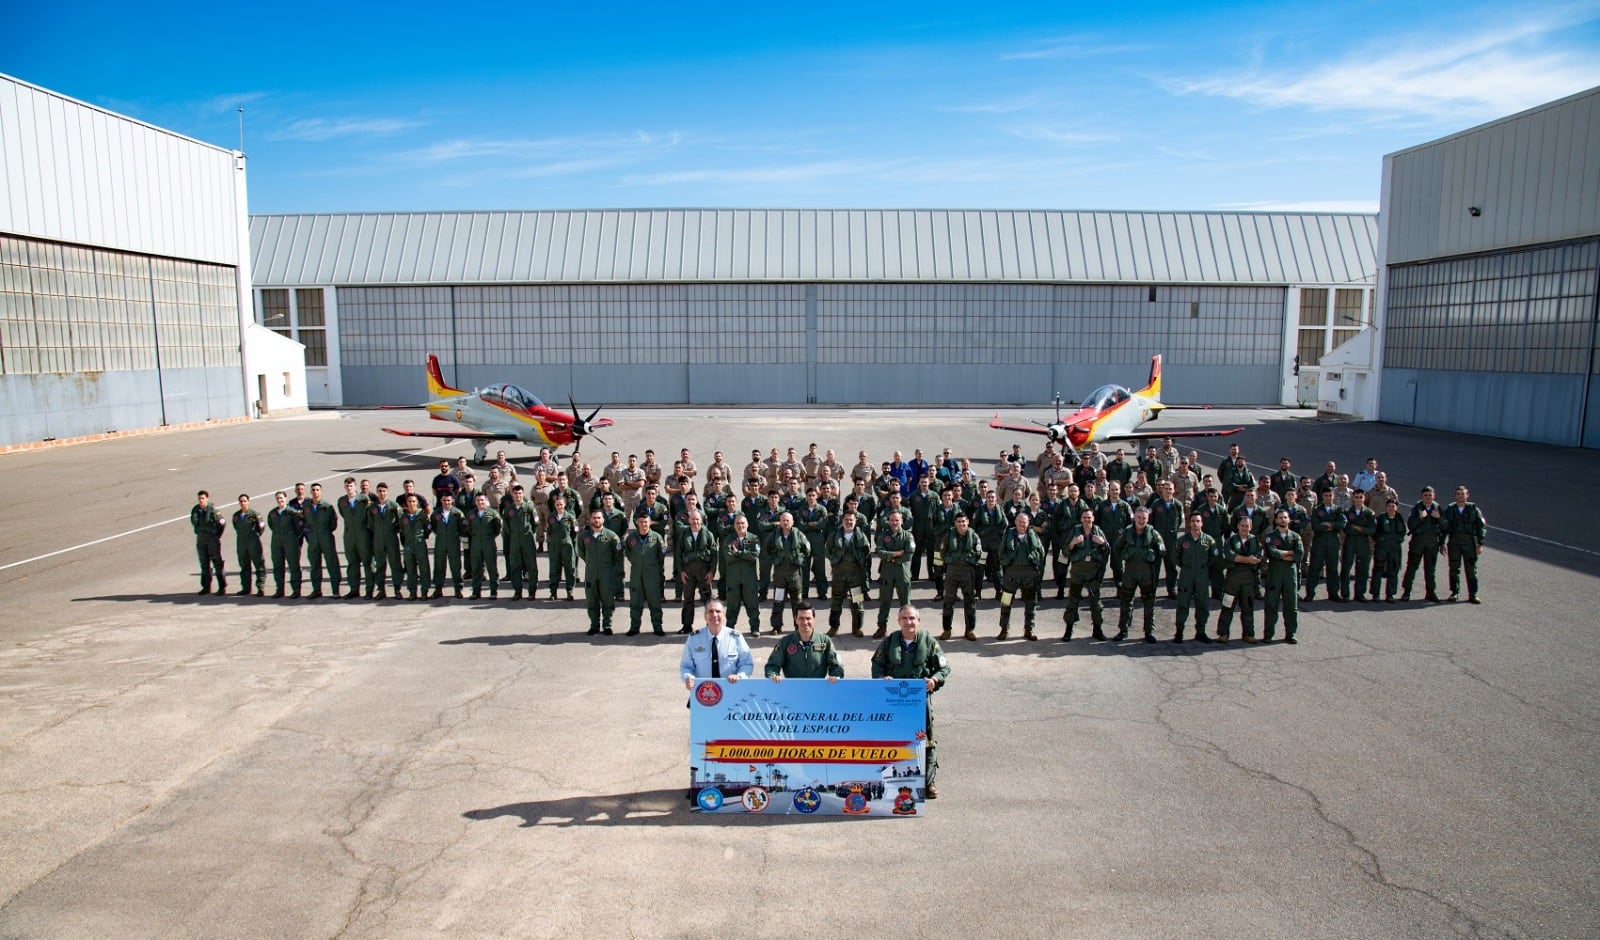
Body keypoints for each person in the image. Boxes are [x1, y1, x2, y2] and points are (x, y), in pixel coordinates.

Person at [870, 606, 950, 799]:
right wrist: (882, 679)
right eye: (904, 618)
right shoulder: (889, 642)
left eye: (912, 618)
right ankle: (890, 779)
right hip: (893, 700)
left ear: (918, 621)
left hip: (919, 700)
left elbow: (944, 668)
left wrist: (934, 680)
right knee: (892, 738)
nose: (909, 622)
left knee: (926, 739)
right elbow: (876, 665)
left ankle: (928, 782)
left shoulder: (929, 642)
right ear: (899, 621)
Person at [1115, 506, 1166, 642]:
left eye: (1144, 518)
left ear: (1148, 519)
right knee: (1126, 601)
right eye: (1139, 517)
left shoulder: (1153, 533)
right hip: (1130, 572)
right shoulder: (1126, 532)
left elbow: (1162, 550)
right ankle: (1123, 630)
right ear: (1134, 517)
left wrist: (1152, 557)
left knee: (1149, 603)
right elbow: (1116, 547)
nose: (1141, 520)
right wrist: (1125, 555)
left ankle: (1149, 631)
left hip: (1146, 573)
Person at [1061, 508, 1109, 641]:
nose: (1087, 520)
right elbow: (1065, 551)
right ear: (1081, 519)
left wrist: (1102, 543)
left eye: (1089, 517)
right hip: (1078, 571)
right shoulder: (1075, 531)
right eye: (1085, 518)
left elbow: (1107, 550)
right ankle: (1068, 630)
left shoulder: (1098, 531)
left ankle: (1097, 630)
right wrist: (1073, 543)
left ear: (1093, 518)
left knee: (1096, 603)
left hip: (1093, 572)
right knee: (1073, 601)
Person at [680, 600, 753, 688]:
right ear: (705, 616)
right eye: (710, 611)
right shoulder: (694, 639)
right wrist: (689, 678)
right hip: (703, 692)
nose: (714, 615)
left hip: (731, 690)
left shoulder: (736, 638)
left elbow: (746, 663)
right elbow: (686, 665)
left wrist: (739, 676)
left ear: (724, 615)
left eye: (718, 611)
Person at [997, 511, 1046, 641]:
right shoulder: (1008, 535)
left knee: (1030, 603)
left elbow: (1041, 553)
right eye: (1019, 522)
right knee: (1006, 602)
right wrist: (1009, 561)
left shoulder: (1033, 535)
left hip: (1029, 575)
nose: (1021, 524)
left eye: (1024, 522)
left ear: (1028, 523)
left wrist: (1032, 559)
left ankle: (1029, 629)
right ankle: (1004, 629)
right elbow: (1001, 554)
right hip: (1011, 575)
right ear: (1015, 522)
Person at [1215, 515, 1264, 642]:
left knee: (1248, 608)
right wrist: (1248, 559)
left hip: (1249, 581)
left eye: (1247, 526)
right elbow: (1230, 556)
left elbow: (1258, 559)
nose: (1244, 528)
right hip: (1232, 581)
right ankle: (1223, 634)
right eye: (1242, 526)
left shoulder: (1256, 541)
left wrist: (1241, 559)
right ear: (1237, 526)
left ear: (1251, 527)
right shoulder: (1231, 540)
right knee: (1227, 607)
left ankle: (1248, 634)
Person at [765, 603, 843, 680]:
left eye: (808, 618)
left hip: (817, 688)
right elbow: (772, 665)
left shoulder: (825, 641)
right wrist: (773, 676)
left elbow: (836, 665)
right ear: (795, 620)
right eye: (801, 618)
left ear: (814, 619)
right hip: (793, 688)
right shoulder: (785, 642)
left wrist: (836, 675)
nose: (805, 622)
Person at [1261, 509, 1305, 643]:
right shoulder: (1270, 536)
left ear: (1289, 519)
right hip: (1275, 574)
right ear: (1276, 520)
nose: (1282, 520)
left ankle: (1290, 634)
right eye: (1280, 518)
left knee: (1291, 606)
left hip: (1290, 575)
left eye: (1285, 517)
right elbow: (1273, 553)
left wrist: (1284, 555)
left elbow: (1299, 555)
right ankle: (1268, 634)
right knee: (1271, 606)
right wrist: (1289, 553)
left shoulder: (1296, 536)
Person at [825, 508, 871, 636]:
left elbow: (866, 551)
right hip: (839, 575)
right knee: (836, 601)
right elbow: (827, 550)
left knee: (857, 601)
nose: (849, 522)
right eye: (846, 520)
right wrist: (835, 560)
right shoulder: (835, 535)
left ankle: (856, 628)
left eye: (851, 520)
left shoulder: (860, 535)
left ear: (855, 521)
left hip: (855, 575)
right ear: (842, 520)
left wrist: (859, 559)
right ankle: (834, 627)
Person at [939, 513, 983, 641]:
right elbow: (943, 552)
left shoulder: (974, 536)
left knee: (970, 602)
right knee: (948, 601)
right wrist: (951, 559)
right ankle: (947, 629)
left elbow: (979, 553)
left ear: (968, 522)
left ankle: (969, 630)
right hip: (952, 571)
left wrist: (969, 560)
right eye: (958, 521)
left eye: (963, 521)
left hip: (968, 572)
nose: (961, 524)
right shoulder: (949, 536)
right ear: (955, 523)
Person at [1171, 513, 1215, 643]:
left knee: (1202, 603)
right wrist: (1186, 566)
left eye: (1198, 521)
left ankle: (1201, 632)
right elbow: (1175, 557)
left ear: (1202, 523)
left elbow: (1213, 557)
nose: (1195, 523)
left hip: (1202, 575)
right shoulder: (1182, 540)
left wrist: (1203, 567)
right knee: (1183, 603)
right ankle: (1179, 631)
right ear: (1189, 523)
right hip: (1187, 574)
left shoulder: (1208, 540)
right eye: (1193, 521)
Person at [624, 512, 668, 635]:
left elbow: (661, 554)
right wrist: (636, 561)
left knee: (654, 602)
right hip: (636, 574)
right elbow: (628, 552)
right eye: (641, 522)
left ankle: (657, 627)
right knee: (635, 603)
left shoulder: (657, 537)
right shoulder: (631, 538)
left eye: (646, 522)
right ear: (637, 523)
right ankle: (634, 627)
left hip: (652, 574)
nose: (644, 524)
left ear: (650, 523)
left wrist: (652, 564)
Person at [581, 508, 623, 634]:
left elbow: (617, 554)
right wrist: (591, 562)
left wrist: (607, 564)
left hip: (606, 573)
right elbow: (581, 552)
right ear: (590, 520)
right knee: (592, 600)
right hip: (591, 572)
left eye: (599, 518)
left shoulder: (611, 536)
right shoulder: (584, 536)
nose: (596, 520)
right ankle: (594, 625)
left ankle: (607, 625)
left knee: (607, 599)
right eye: (594, 518)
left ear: (603, 520)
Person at [766, 512, 810, 632]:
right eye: (783, 520)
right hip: (780, 574)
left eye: (787, 520)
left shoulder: (799, 535)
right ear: (780, 522)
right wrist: (775, 559)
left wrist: (799, 559)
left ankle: (798, 627)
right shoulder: (774, 535)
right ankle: (776, 626)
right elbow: (768, 549)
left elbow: (807, 549)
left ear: (792, 522)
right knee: (778, 601)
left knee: (797, 602)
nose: (785, 523)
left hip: (794, 574)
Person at [874, 510, 915, 638]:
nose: (894, 523)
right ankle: (882, 627)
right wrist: (896, 554)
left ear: (902, 521)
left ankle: (907, 629)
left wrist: (890, 557)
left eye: (897, 520)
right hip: (887, 572)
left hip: (902, 572)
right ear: (888, 521)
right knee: (885, 600)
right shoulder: (883, 535)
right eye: (892, 520)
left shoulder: (908, 536)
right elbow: (879, 551)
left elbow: (908, 554)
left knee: (905, 602)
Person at [675, 509, 717, 632]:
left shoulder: (708, 534)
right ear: (688, 520)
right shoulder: (684, 534)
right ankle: (687, 625)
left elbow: (714, 554)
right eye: (693, 519)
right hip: (688, 573)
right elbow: (678, 554)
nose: (695, 522)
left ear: (702, 520)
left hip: (704, 573)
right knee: (688, 599)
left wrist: (712, 572)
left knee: (708, 600)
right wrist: (681, 571)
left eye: (697, 519)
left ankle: (711, 625)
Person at [1443, 485, 1486, 603]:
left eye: (1462, 494)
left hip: (1469, 543)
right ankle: (1454, 592)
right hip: (1454, 542)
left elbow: (1481, 527)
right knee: (1453, 569)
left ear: (1467, 495)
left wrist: (1480, 543)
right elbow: (1444, 527)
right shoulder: (1450, 510)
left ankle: (1473, 594)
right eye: (1458, 494)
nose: (1460, 496)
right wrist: (1442, 543)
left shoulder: (1473, 509)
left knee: (1471, 570)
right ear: (1455, 496)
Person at [1402, 486, 1446, 602]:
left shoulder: (1438, 508)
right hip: (1418, 543)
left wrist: (1439, 518)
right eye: (1425, 495)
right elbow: (1410, 524)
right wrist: (1420, 518)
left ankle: (1430, 592)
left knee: (1430, 570)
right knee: (1412, 567)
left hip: (1432, 544)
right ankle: (1406, 592)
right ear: (1422, 496)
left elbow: (1445, 527)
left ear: (1434, 496)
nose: (1428, 497)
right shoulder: (1417, 508)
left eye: (1430, 495)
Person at [722, 514, 762, 635]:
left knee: (752, 603)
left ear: (747, 525)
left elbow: (754, 556)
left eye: (743, 523)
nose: (740, 526)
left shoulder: (754, 538)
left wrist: (738, 553)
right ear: (734, 525)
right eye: (738, 523)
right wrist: (745, 556)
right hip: (733, 577)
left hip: (749, 578)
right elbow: (728, 557)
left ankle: (755, 628)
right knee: (732, 604)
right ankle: (729, 628)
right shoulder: (728, 539)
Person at [1306, 488, 1347, 602]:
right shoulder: (1317, 509)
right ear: (1322, 497)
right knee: (1314, 568)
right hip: (1319, 542)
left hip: (1333, 542)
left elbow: (1343, 523)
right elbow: (1315, 525)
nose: (1328, 498)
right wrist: (1330, 527)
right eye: (1326, 495)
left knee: (1333, 569)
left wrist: (1330, 524)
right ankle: (1310, 593)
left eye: (1330, 495)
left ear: (1333, 496)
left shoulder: (1337, 509)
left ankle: (1333, 593)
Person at [302, 482, 340, 599]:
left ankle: (335, 591)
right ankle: (316, 590)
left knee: (331, 563)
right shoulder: (307, 507)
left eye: (317, 490)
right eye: (313, 490)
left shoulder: (327, 507)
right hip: (313, 538)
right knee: (314, 564)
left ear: (321, 491)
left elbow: (333, 524)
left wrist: (325, 532)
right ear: (310, 492)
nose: (315, 492)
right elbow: (305, 521)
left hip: (326, 537)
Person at [503, 485, 540, 601]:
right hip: (514, 540)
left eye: (520, 493)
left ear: (523, 494)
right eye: (516, 493)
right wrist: (514, 534)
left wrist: (528, 532)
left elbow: (536, 522)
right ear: (512, 495)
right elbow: (506, 525)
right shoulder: (508, 509)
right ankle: (517, 591)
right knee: (515, 566)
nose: (518, 496)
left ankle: (532, 592)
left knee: (531, 566)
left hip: (527, 539)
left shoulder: (529, 506)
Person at [365, 483, 402, 599]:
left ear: (387, 491)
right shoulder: (372, 508)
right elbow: (370, 523)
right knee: (379, 565)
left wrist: (392, 531)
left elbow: (400, 521)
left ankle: (397, 589)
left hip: (391, 538)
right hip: (378, 539)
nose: (382, 493)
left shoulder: (394, 506)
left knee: (395, 564)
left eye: (384, 491)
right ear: (376, 492)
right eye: (380, 491)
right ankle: (381, 590)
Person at [337, 478, 372, 599]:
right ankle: (354, 589)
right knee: (352, 562)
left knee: (367, 562)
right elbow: (343, 514)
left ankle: (369, 590)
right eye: (347, 486)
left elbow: (369, 515)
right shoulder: (342, 501)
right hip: (349, 536)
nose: (349, 488)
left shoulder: (364, 499)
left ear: (355, 487)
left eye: (351, 486)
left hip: (363, 534)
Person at [1341, 490, 1377, 602]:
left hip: (1363, 542)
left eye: (1361, 497)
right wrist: (1360, 529)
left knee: (1363, 568)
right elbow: (1346, 528)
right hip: (1350, 541)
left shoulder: (1369, 513)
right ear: (1353, 498)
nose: (1358, 499)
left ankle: (1360, 593)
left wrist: (1359, 528)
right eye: (1356, 497)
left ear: (1364, 498)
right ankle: (1345, 594)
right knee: (1346, 567)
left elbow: (1371, 530)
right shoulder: (1347, 512)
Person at [267, 490, 304, 598]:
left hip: (290, 541)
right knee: (278, 566)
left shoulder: (292, 512)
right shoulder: (273, 513)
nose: (280, 500)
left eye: (281, 498)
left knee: (293, 566)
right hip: (276, 541)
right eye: (278, 498)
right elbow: (271, 525)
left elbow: (299, 527)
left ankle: (296, 590)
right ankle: (280, 589)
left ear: (286, 498)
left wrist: (292, 537)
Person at [466, 492, 503, 599]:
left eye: (482, 500)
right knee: (476, 568)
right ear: (475, 502)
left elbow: (497, 528)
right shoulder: (471, 514)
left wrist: (489, 536)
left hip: (488, 542)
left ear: (486, 501)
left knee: (491, 567)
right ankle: (476, 592)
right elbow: (469, 528)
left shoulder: (492, 513)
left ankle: (493, 591)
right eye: (478, 500)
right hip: (476, 542)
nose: (480, 502)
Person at [191, 490, 227, 595]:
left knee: (217, 563)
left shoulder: (213, 511)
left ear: (207, 498)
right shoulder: (195, 510)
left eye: (203, 498)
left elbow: (222, 523)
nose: (201, 500)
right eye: (199, 498)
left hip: (212, 539)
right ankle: (206, 587)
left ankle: (222, 587)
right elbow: (194, 523)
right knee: (204, 564)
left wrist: (216, 536)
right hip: (201, 539)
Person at [429, 492, 465, 599]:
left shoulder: (458, 513)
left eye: (449, 500)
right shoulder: (436, 514)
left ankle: (458, 589)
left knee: (456, 566)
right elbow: (434, 527)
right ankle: (438, 589)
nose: (446, 503)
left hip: (453, 542)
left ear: (453, 501)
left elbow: (462, 528)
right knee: (439, 566)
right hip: (440, 543)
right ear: (441, 501)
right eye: (444, 500)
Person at [1371, 498, 1406, 603]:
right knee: (1378, 570)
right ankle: (1375, 594)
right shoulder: (1381, 518)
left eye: (1393, 506)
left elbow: (1403, 532)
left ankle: (1390, 594)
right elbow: (1374, 532)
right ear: (1386, 507)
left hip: (1394, 549)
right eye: (1389, 506)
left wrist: (1396, 540)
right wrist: (1381, 540)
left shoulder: (1399, 519)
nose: (1391, 508)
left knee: (1393, 571)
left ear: (1396, 508)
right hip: (1382, 548)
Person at [397, 493, 432, 600]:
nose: (411, 503)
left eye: (413, 501)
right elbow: (402, 531)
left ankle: (424, 591)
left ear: (417, 503)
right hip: (408, 546)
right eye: (409, 502)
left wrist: (420, 538)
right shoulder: (403, 517)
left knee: (424, 569)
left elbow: (427, 529)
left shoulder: (422, 515)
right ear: (406, 503)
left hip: (420, 545)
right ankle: (412, 592)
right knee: (410, 570)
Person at [545, 493, 579, 601]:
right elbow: (549, 531)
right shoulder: (551, 517)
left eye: (561, 504)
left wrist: (570, 544)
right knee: (554, 569)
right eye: (557, 505)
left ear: (564, 505)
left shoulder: (570, 517)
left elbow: (575, 532)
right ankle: (553, 592)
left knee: (570, 569)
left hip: (567, 545)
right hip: (554, 546)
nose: (559, 506)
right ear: (555, 505)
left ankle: (570, 591)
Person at [231, 494, 266, 596]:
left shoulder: (254, 514)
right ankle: (246, 588)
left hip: (253, 541)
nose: (243, 503)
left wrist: (255, 535)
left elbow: (261, 527)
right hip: (241, 542)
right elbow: (235, 526)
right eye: (241, 501)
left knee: (258, 564)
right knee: (244, 565)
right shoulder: (236, 515)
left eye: (245, 501)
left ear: (248, 502)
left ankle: (260, 588)